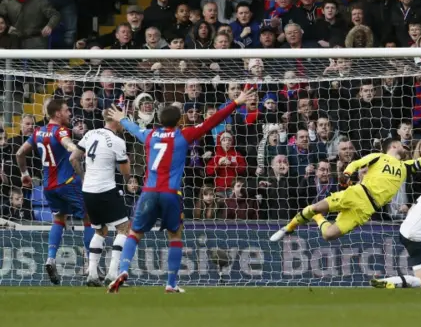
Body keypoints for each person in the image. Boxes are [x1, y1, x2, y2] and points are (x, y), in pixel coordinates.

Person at [105, 88, 256, 293]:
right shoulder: (183, 135)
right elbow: (213, 121)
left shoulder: (149, 135)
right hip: (170, 193)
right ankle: (171, 283)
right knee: (175, 236)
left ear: (159, 119)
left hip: (148, 191)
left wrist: (122, 118)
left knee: (135, 233)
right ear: (179, 121)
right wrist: (236, 102)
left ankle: (123, 269)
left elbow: (133, 128)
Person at [269, 135, 421, 242]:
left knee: (328, 235)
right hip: (357, 193)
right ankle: (288, 228)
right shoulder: (379, 157)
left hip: (367, 209)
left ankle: (317, 219)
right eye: (402, 146)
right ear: (394, 145)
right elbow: (355, 164)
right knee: (316, 207)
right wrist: (347, 176)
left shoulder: (406, 167)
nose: (405, 149)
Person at [15, 99, 95, 285]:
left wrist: (25, 174)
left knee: (59, 218)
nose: (69, 114)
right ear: (57, 113)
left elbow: (19, 153)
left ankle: (50, 258)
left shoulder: (37, 132)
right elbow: (68, 145)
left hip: (48, 187)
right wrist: (78, 150)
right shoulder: (61, 131)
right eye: (66, 111)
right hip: (67, 183)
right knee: (89, 217)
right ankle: (91, 265)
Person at [69, 110, 132, 287]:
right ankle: (112, 273)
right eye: (122, 120)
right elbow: (125, 170)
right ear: (115, 121)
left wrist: (83, 177)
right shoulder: (118, 141)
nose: (123, 123)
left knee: (100, 231)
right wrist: (129, 181)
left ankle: (92, 274)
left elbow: (73, 158)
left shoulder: (90, 134)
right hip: (106, 189)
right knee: (124, 228)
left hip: (88, 190)